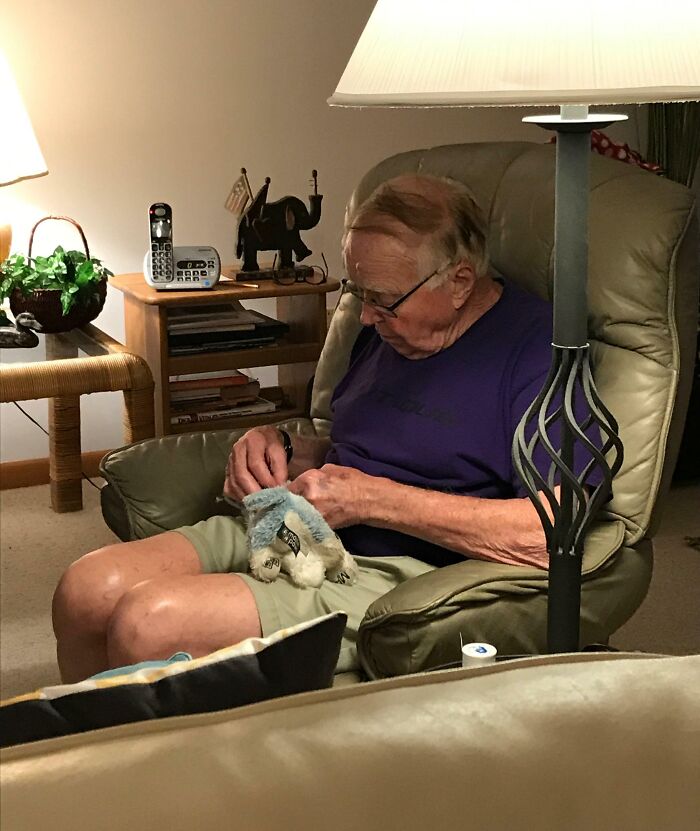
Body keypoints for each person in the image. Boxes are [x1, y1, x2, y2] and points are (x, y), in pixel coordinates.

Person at [52, 173, 594, 683]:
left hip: (407, 570)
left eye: (382, 300)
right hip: (300, 524)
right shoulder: (390, 329)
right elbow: (361, 445)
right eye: (358, 294)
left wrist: (372, 500)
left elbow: (552, 534)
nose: (365, 319)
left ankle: (135, 777)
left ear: (458, 281)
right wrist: (280, 445)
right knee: (85, 590)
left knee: (148, 624)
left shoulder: (540, 353)